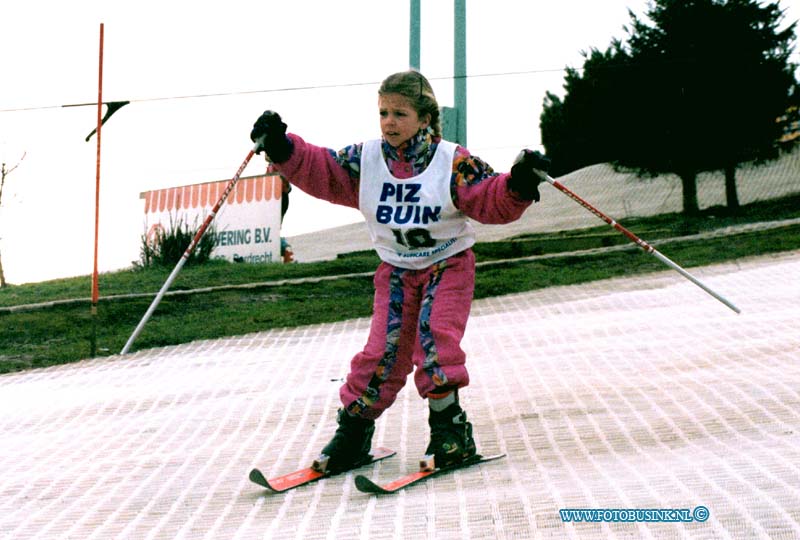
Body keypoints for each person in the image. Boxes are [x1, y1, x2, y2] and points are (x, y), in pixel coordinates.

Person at [250, 70, 549, 473]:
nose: (389, 122)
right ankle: (353, 432)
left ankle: (451, 431)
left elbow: (489, 196)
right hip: (396, 270)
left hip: (447, 265)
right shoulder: (366, 160)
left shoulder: (451, 161)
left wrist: (519, 183)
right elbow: (323, 170)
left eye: (400, 114)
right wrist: (282, 148)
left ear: (425, 118)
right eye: (384, 113)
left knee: (434, 337)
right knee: (381, 353)